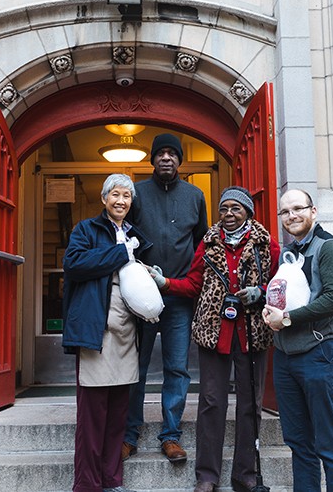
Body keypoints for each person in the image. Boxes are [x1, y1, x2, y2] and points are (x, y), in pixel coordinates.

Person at [149, 186, 280, 492]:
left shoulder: (267, 245)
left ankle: (245, 475)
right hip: (214, 332)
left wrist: (261, 293)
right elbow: (194, 283)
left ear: (248, 211)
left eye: (236, 208)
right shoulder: (208, 244)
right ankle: (207, 476)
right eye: (224, 209)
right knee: (211, 403)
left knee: (250, 404)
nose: (229, 214)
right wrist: (164, 282)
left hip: (252, 334)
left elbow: (279, 283)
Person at [62, 173, 153, 492]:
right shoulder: (86, 229)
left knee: (117, 414)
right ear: (104, 199)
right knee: (92, 415)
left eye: (127, 196)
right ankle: (87, 484)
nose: (121, 201)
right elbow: (74, 264)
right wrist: (121, 254)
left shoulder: (136, 236)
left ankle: (112, 479)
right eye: (115, 194)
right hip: (95, 332)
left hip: (127, 331)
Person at [123, 133, 209, 463]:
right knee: (136, 368)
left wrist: (192, 283)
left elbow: (202, 243)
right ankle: (129, 434)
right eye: (161, 153)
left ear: (180, 160)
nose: (167, 158)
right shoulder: (137, 194)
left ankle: (171, 436)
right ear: (152, 159)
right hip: (140, 298)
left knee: (176, 369)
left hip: (179, 298)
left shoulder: (195, 195)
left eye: (173, 153)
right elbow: (123, 238)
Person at [262, 188, 333, 492]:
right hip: (286, 358)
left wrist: (286, 319)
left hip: (321, 354)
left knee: (328, 444)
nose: (291, 216)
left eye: (298, 209)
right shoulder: (289, 254)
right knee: (299, 444)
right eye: (285, 212)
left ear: (313, 211)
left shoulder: (331, 248)